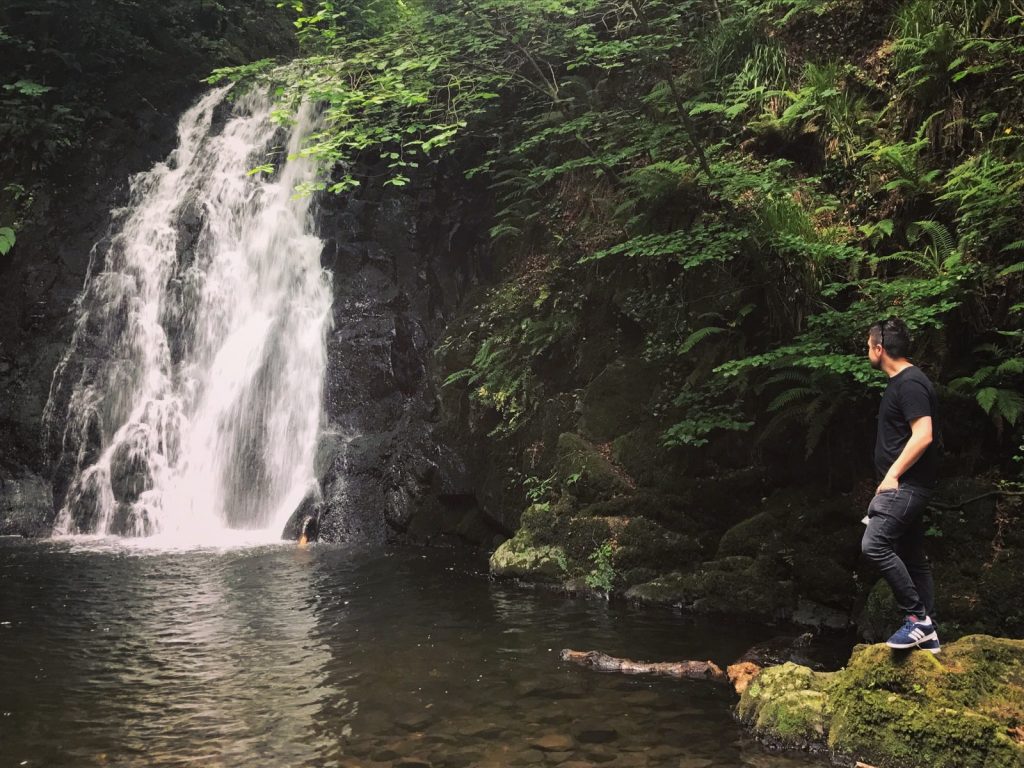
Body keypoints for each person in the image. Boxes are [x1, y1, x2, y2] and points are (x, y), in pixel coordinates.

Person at [862, 317, 941, 653]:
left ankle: (917, 619)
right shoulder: (901, 382)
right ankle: (930, 633)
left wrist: (892, 475)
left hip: (907, 485)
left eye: (868, 344)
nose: (867, 350)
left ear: (880, 348)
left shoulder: (910, 384)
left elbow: (924, 435)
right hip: (908, 485)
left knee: (874, 544)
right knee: (912, 556)